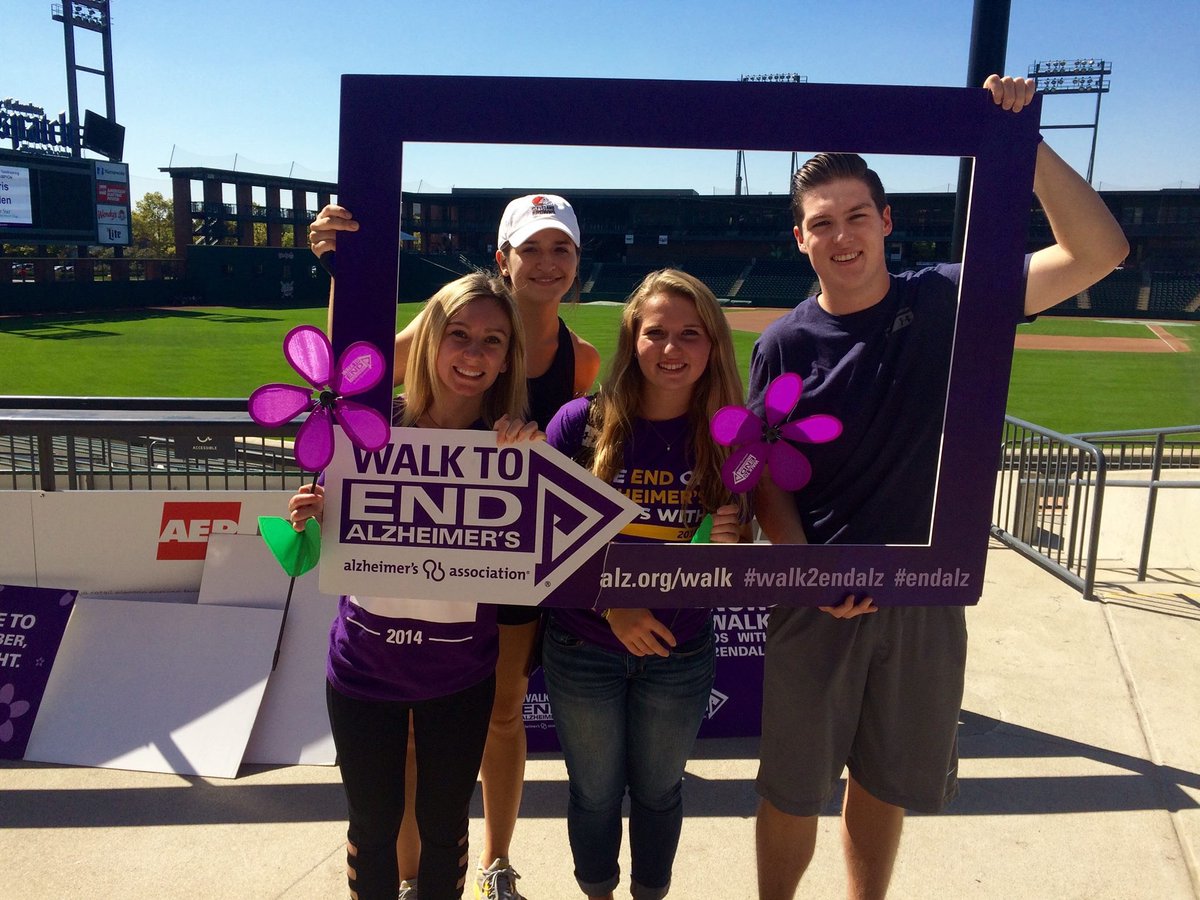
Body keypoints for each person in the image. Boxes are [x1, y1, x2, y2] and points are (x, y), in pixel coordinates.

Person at [751, 75, 1129, 900]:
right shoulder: (783, 344)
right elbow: (767, 477)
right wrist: (809, 572)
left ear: (886, 221)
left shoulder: (951, 296)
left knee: (886, 777)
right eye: (822, 224)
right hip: (816, 596)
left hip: (923, 592)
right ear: (800, 239)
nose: (841, 235)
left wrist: (1020, 140)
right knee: (790, 785)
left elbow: (1098, 253)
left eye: (857, 216)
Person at [309, 194, 600, 899]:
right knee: (403, 758)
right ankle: (409, 877)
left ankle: (494, 863)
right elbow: (351, 371)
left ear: (577, 265)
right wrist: (341, 264)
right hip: (407, 586)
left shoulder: (581, 361)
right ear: (503, 259)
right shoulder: (456, 320)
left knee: (498, 717)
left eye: (560, 249)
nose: (546, 263)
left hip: (500, 577)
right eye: (530, 248)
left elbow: (573, 471)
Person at [287, 272, 543, 900]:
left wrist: (531, 467)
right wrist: (309, 518)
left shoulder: (510, 447)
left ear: (509, 355)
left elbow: (545, 550)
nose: (474, 355)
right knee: (372, 826)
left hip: (458, 677)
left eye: (492, 340)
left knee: (443, 825)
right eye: (458, 335)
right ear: (429, 340)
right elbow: (313, 550)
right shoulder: (365, 429)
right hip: (362, 671)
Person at [542, 268, 750, 900]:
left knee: (660, 792)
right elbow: (545, 550)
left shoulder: (733, 437)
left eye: (690, 333)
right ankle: (598, 890)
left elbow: (737, 567)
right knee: (595, 793)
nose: (672, 348)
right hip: (584, 649)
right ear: (632, 339)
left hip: (680, 652)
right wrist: (615, 608)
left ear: (713, 344)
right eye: (656, 332)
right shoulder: (578, 424)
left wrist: (734, 545)